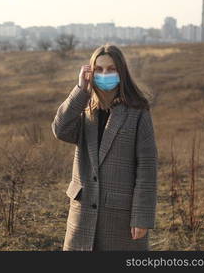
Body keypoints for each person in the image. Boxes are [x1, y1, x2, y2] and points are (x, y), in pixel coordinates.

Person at [51, 43, 158, 251]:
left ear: (121, 72)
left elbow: (147, 167)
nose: (105, 74)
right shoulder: (84, 110)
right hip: (83, 215)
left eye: (111, 69)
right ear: (91, 73)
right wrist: (81, 90)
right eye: (99, 69)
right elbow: (60, 130)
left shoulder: (138, 112)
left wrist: (142, 216)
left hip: (120, 217)